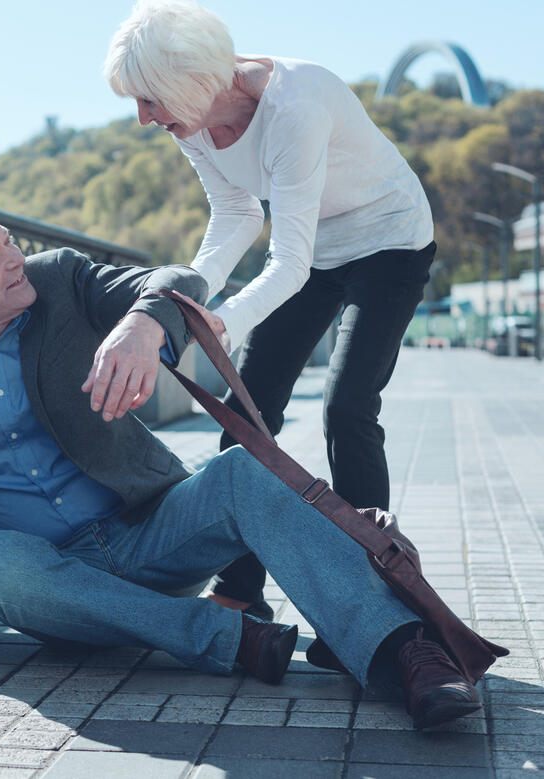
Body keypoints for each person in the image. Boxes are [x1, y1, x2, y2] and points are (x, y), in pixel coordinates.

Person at [0, 197, 478, 729]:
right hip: (50, 578)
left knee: (238, 474)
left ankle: (400, 651)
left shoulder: (59, 279)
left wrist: (142, 322)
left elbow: (176, 280)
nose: (13, 258)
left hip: (152, 530)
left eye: (7, 241)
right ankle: (231, 639)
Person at [103, 0, 437, 620]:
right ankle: (239, 588)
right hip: (313, 249)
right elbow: (236, 215)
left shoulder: (296, 104)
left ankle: (382, 599)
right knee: (247, 415)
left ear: (192, 80)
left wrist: (225, 321)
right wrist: (189, 298)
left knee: (348, 407)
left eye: (150, 100)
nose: (144, 119)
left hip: (389, 240)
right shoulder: (194, 119)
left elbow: (289, 263)